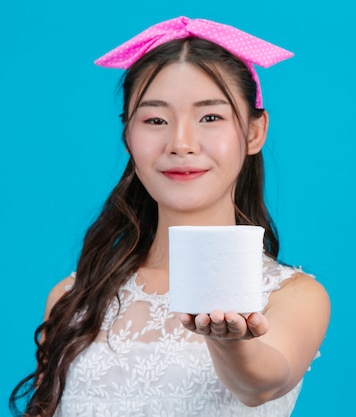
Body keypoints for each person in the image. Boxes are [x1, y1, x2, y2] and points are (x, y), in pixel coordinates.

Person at [10, 16, 331, 417]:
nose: (181, 143)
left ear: (254, 132)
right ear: (128, 136)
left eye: (210, 117)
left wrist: (230, 342)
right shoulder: (73, 297)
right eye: (155, 120)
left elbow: (262, 383)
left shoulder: (293, 295)